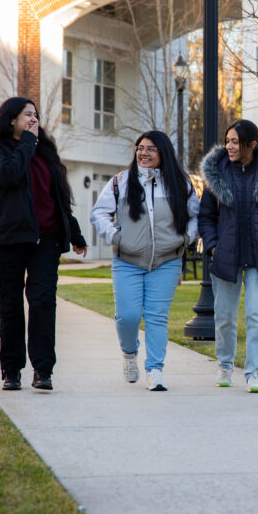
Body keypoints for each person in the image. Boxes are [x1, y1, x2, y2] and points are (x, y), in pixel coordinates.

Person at [0, 97, 88, 391]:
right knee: (11, 306)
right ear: (11, 120)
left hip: (46, 238)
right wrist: (27, 143)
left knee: (43, 302)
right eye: (26, 115)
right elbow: (8, 176)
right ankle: (12, 370)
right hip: (8, 239)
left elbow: (57, 196)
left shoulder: (44, 152)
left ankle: (43, 370)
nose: (33, 119)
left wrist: (75, 232)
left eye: (35, 115)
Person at [90, 131, 199, 391]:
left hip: (167, 260)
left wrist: (186, 237)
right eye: (140, 148)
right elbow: (99, 214)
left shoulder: (180, 184)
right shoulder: (122, 182)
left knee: (156, 318)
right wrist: (115, 236)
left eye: (151, 149)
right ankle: (129, 355)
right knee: (126, 317)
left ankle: (155, 370)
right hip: (128, 260)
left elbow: (197, 216)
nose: (144, 153)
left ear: (163, 153)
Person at [198, 119, 258, 393]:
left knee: (256, 316)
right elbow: (206, 216)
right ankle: (225, 365)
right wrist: (214, 245)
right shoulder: (216, 172)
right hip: (226, 256)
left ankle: (254, 372)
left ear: (251, 144)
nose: (228, 146)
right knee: (225, 317)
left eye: (234, 141)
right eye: (227, 140)